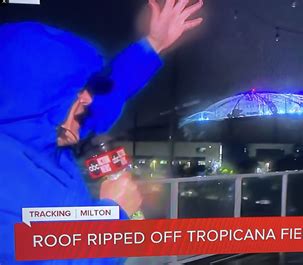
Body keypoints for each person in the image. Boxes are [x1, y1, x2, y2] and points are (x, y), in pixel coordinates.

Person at [0, 0, 203, 264]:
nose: (86, 98)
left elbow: (108, 94)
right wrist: (113, 214)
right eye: (75, 91)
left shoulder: (38, 134)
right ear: (37, 98)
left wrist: (153, 44)